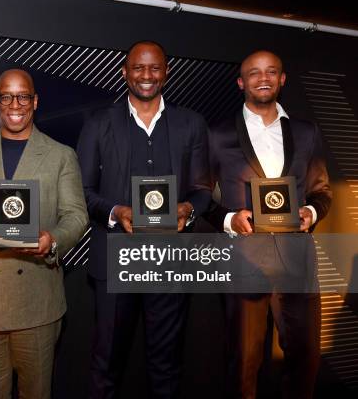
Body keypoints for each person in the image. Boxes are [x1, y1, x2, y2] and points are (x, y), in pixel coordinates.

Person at [76, 41, 211, 398]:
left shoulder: (191, 123)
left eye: (154, 68)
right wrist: (116, 213)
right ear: (125, 72)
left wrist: (189, 210)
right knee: (106, 365)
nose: (146, 76)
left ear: (166, 73)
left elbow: (202, 189)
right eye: (138, 68)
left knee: (166, 366)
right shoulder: (98, 124)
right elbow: (82, 190)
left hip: (169, 262)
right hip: (115, 260)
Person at [0, 69, 89, 398]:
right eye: (7, 96)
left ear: (35, 101)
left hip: (37, 303)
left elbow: (76, 216)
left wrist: (51, 240)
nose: (15, 104)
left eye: (23, 96)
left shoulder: (60, 155)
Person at [205, 50, 332, 398]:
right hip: (244, 262)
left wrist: (312, 212)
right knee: (244, 361)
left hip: (297, 263)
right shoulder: (217, 136)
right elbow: (199, 195)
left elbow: (322, 191)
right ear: (241, 82)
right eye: (255, 73)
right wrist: (229, 218)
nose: (264, 78)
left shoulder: (306, 132)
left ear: (282, 79)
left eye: (272, 72)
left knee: (305, 359)